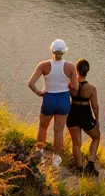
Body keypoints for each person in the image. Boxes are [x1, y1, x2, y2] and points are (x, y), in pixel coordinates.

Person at [27, 39, 77, 167]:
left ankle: (39, 152)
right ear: (64, 51)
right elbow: (75, 87)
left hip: (48, 98)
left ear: (51, 50)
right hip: (63, 100)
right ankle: (55, 158)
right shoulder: (70, 66)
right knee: (58, 131)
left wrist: (39, 92)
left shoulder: (43, 65)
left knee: (43, 127)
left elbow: (30, 83)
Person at [66, 58, 101, 176]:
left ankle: (80, 169)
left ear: (77, 70)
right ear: (87, 71)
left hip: (73, 113)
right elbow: (95, 106)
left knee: (76, 143)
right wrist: (97, 119)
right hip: (85, 115)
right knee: (96, 137)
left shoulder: (70, 83)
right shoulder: (91, 88)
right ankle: (90, 164)